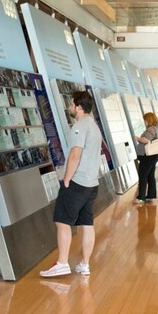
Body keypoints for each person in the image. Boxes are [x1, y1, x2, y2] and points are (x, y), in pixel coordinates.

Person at [40, 91, 103, 278]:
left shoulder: (79, 126)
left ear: (79, 107)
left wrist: (67, 178)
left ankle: (61, 263)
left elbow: (75, 154)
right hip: (92, 183)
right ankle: (84, 264)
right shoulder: (93, 125)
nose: (69, 107)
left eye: (71, 104)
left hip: (78, 182)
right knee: (86, 223)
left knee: (62, 221)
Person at [132, 112, 158, 204]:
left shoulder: (150, 130)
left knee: (143, 176)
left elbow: (146, 140)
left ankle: (141, 197)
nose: (144, 122)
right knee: (150, 175)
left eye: (145, 120)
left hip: (147, 156)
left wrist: (137, 138)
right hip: (154, 156)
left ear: (149, 120)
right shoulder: (156, 128)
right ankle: (150, 195)